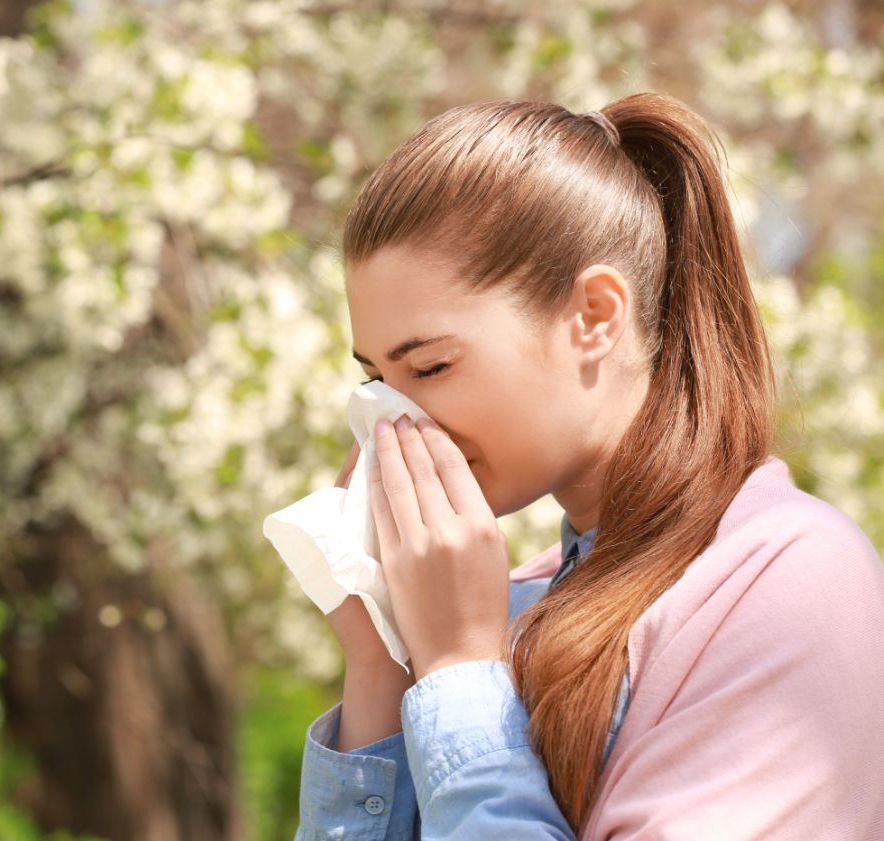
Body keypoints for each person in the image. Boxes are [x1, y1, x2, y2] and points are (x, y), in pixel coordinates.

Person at [292, 92, 884, 839]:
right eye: (377, 381)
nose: (393, 423)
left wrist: (457, 671)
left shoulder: (785, 579)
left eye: (432, 366)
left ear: (596, 316)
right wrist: (384, 661)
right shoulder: (512, 606)